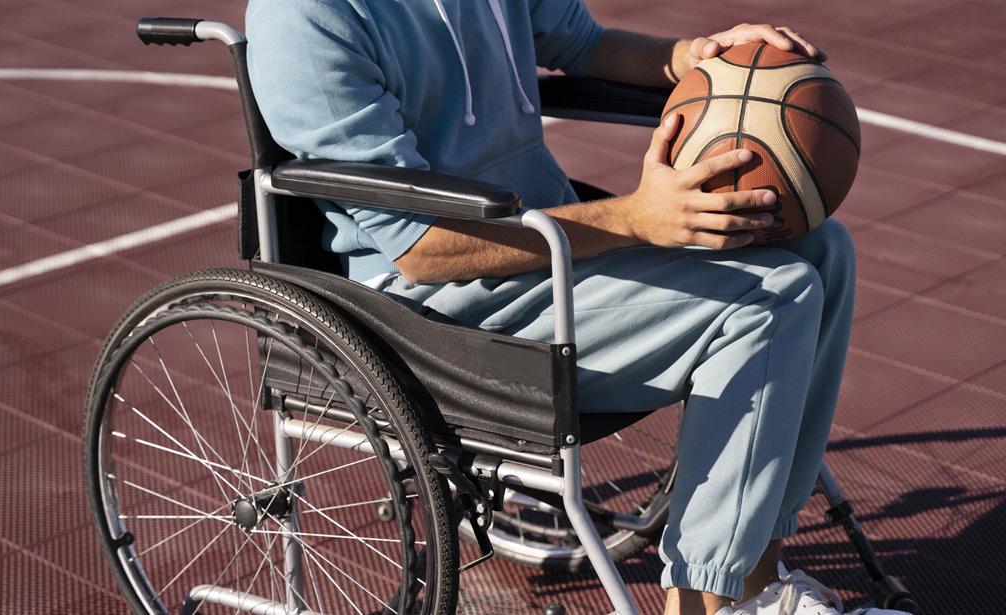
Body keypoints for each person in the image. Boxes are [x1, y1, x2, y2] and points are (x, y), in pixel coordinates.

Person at [246, 2, 896, 614]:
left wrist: (702, 59)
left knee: (819, 251)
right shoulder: (305, 17)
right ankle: (702, 602)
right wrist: (637, 218)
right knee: (771, 298)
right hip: (431, 307)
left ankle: (756, 578)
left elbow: (581, 42)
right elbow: (420, 247)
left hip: (549, 249)